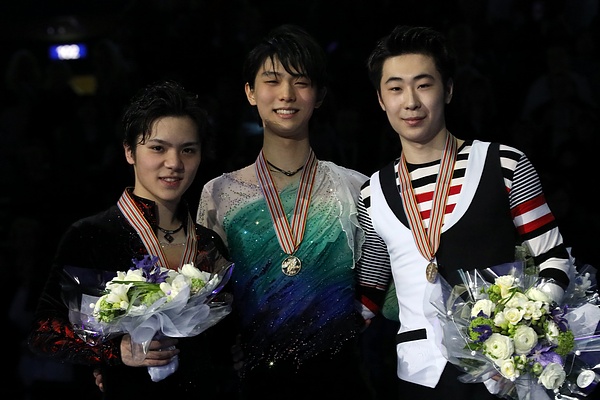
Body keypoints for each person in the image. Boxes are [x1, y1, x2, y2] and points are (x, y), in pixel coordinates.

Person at [355, 25, 573, 399]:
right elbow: (370, 292)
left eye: (423, 85)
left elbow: (555, 258)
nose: (410, 101)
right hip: (418, 377)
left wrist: (528, 323)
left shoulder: (504, 163)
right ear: (380, 99)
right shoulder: (372, 192)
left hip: (504, 375)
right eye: (395, 88)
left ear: (449, 90)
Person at [196, 24, 373, 400]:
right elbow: (208, 302)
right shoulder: (219, 194)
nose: (286, 95)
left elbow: (380, 288)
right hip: (256, 383)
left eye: (301, 82)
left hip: (344, 381)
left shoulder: (357, 187)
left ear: (320, 95)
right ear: (250, 92)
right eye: (272, 81)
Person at [27, 80, 234, 399]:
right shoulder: (92, 234)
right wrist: (113, 351)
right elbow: (43, 331)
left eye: (188, 150)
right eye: (158, 148)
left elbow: (225, 343)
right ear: (129, 151)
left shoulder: (208, 243)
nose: (174, 164)